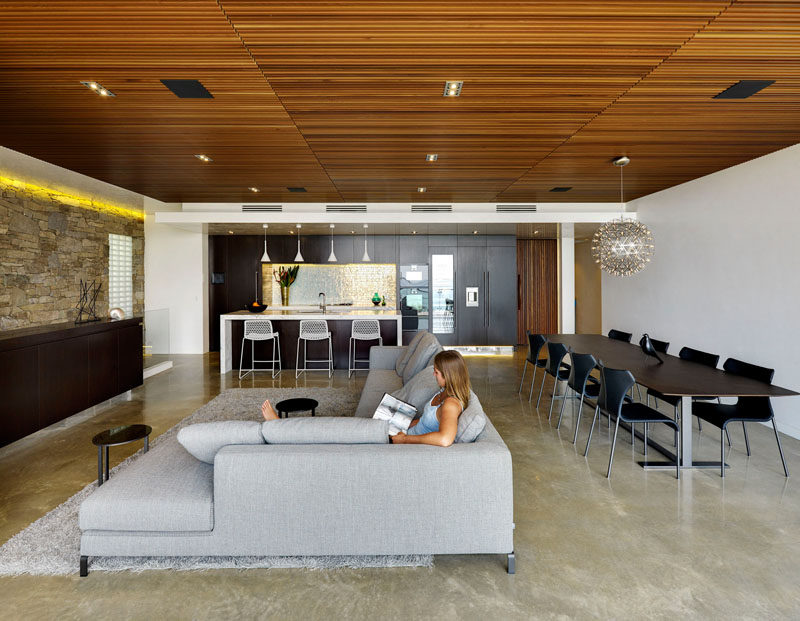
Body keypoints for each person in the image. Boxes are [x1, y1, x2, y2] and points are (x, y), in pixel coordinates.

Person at [260, 350, 471, 448]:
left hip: (397, 439)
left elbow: (445, 439)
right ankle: (282, 427)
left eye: (437, 373)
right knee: (336, 429)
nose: (434, 375)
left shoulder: (451, 404)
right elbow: (426, 424)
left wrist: (404, 438)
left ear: (449, 374)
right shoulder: (444, 393)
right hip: (397, 430)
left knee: (333, 431)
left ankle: (279, 428)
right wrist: (399, 422)